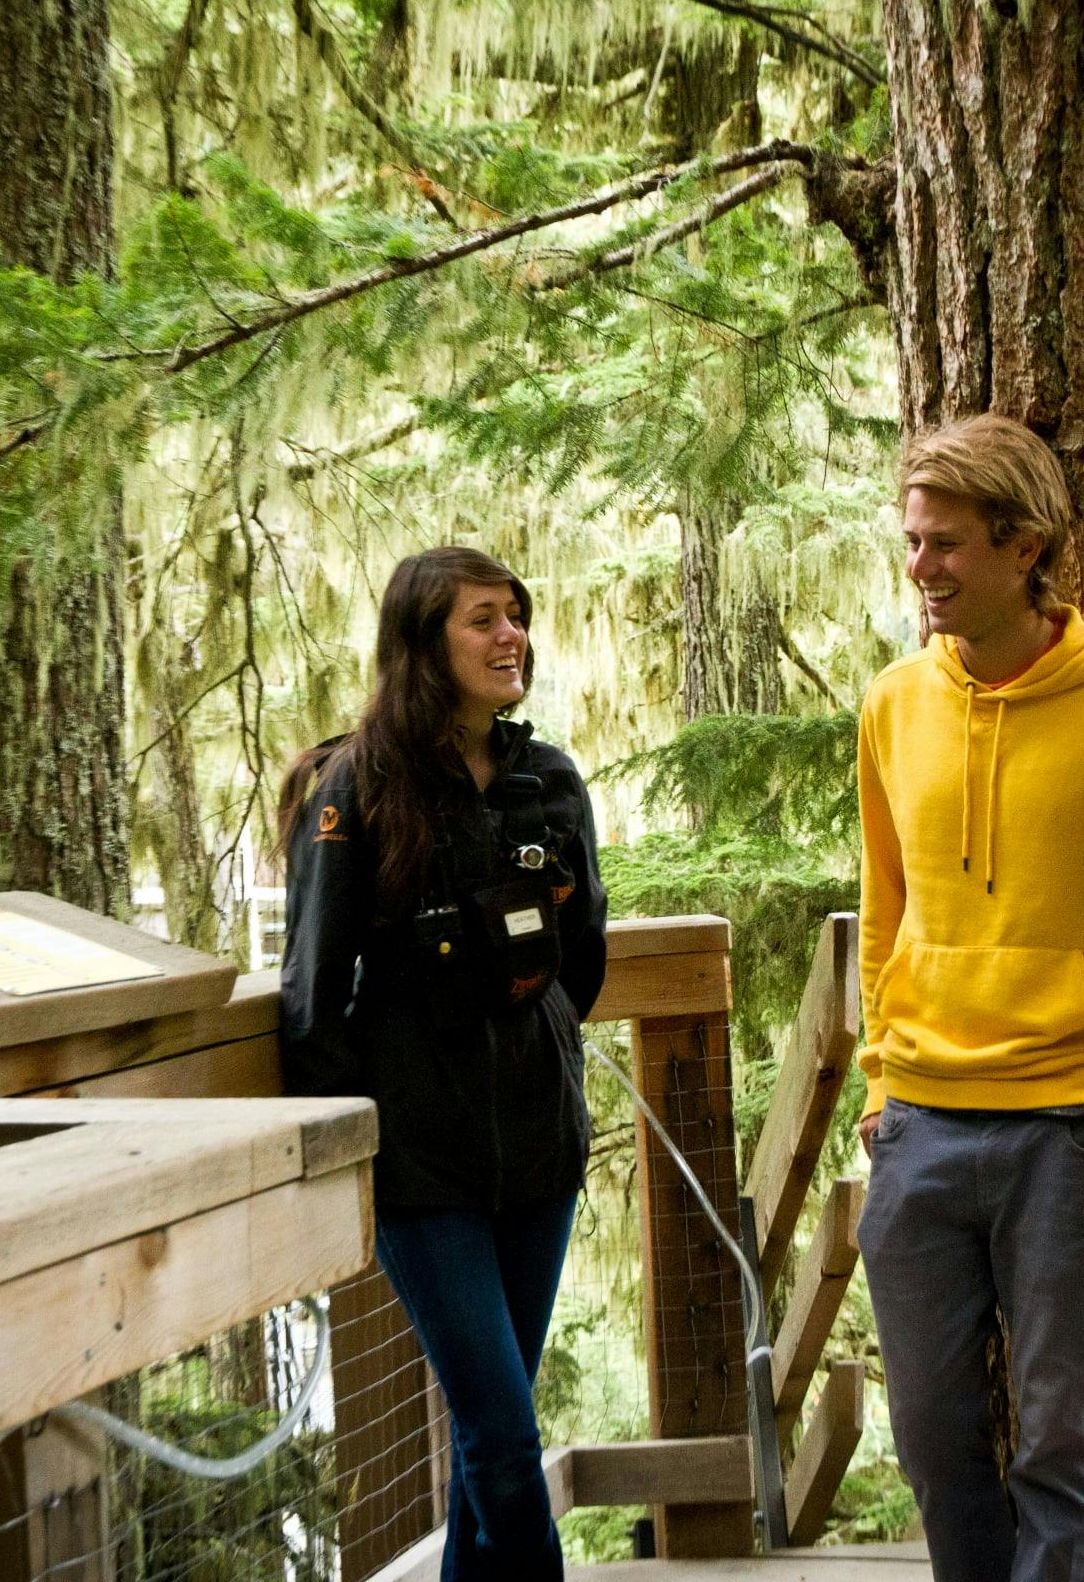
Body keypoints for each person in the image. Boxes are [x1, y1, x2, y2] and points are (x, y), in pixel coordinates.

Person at [854, 413, 1084, 1582]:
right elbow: (884, 907)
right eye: (912, 541)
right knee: (934, 1440)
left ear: (1026, 545)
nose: (921, 568)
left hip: (1082, 1124)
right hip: (922, 1125)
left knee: (1064, 1443)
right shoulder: (895, 704)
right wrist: (880, 1074)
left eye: (946, 544)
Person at [277, 546, 608, 1582]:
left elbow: (581, 960)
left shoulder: (548, 782)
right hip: (424, 1166)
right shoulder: (356, 787)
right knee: (505, 1441)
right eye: (482, 619)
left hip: (540, 1149)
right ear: (423, 644)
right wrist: (357, 1145)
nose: (511, 635)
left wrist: (531, 1049)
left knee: (487, 1439)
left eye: (516, 615)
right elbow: (313, 992)